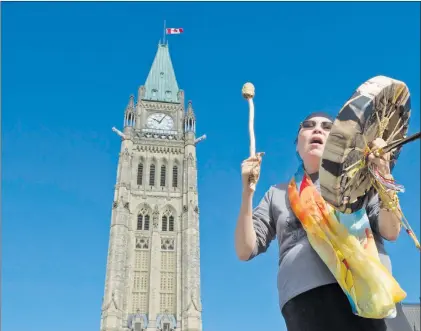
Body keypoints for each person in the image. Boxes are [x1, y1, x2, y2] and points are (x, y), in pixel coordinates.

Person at [234, 112, 403, 331]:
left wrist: (384, 175)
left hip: (366, 297)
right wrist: (247, 192)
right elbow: (245, 249)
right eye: (308, 125)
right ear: (297, 146)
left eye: (326, 127)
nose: (317, 129)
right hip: (304, 303)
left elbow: (391, 231)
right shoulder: (277, 193)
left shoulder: (361, 181)